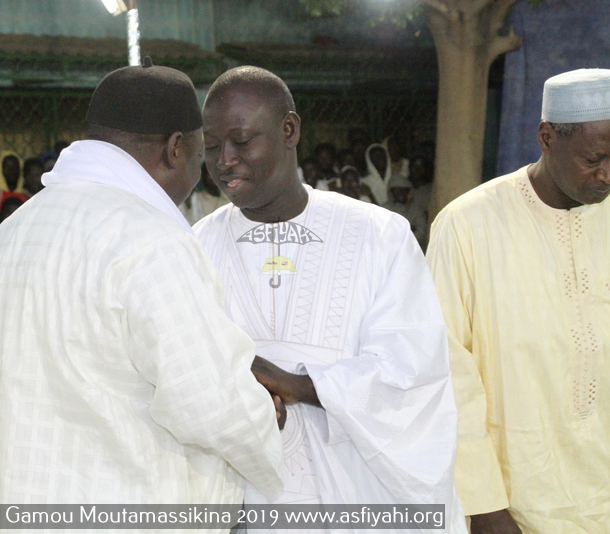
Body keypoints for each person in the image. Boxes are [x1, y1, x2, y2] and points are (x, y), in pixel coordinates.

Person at [0, 58, 283, 510]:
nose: (203, 168)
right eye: (200, 152)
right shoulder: (150, 239)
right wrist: (266, 416)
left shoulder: (13, 231)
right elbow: (211, 406)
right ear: (175, 149)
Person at [194, 65, 465, 532]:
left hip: (362, 500)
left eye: (241, 141)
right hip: (250, 504)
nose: (225, 161)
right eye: (213, 147)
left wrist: (295, 383)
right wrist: (241, 392)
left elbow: (413, 372)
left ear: (289, 129)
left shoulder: (379, 235)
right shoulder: (196, 248)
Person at [426, 68, 610, 533]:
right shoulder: (468, 226)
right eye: (593, 158)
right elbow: (446, 375)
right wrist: (483, 505)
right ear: (547, 137)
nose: (609, 174)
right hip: (513, 509)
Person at [382, 173, 428, 251]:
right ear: (392, 192)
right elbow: (382, 233)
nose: (400, 192)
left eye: (403, 189)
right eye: (397, 190)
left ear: (408, 191)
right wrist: (409, 230)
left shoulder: (416, 209)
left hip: (412, 251)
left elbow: (421, 232)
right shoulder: (384, 209)